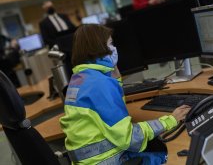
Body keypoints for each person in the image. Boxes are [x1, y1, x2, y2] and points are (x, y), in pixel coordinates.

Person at [59, 24, 191, 164]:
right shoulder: (100, 84)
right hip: (108, 160)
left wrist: (115, 78)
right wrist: (171, 120)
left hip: (90, 161)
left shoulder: (79, 79)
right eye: (110, 44)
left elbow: (111, 117)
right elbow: (129, 137)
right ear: (97, 49)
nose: (114, 49)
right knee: (173, 157)